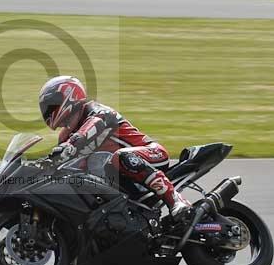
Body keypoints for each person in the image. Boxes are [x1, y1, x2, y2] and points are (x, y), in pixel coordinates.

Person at [39, 75, 191, 219]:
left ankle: (176, 200)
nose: (47, 111)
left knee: (119, 157)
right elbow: (60, 165)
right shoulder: (65, 137)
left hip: (151, 154)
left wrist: (70, 145)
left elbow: (92, 126)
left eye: (51, 105)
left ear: (69, 96)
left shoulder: (97, 111)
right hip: (117, 172)